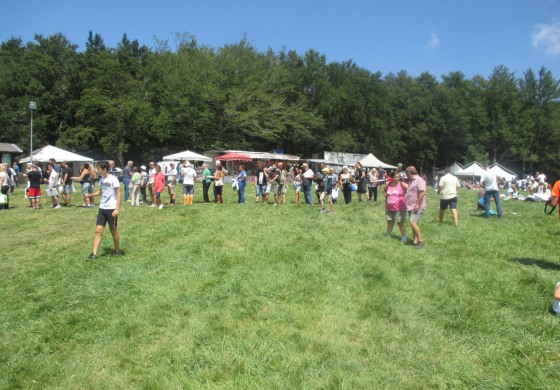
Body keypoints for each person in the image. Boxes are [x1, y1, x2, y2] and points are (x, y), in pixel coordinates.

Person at [85, 161, 122, 260]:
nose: (97, 171)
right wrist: (90, 195)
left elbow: (119, 193)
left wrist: (117, 209)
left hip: (111, 208)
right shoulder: (101, 180)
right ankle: (94, 254)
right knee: (98, 230)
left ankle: (117, 250)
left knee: (113, 230)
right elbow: (101, 192)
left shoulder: (113, 179)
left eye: (99, 169)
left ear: (105, 169)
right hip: (102, 208)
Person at [384, 170, 408, 243]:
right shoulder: (388, 184)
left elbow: (410, 190)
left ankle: (404, 237)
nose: (397, 178)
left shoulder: (401, 184)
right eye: (395, 177)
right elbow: (384, 190)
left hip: (400, 208)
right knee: (389, 221)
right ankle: (388, 235)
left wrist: (406, 198)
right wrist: (387, 198)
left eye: (398, 177)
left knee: (400, 222)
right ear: (391, 177)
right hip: (389, 207)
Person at [405, 166, 426, 249]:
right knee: (414, 223)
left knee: (412, 222)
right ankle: (415, 240)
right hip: (410, 206)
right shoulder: (411, 181)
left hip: (417, 206)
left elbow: (422, 192)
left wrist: (417, 204)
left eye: (407, 174)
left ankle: (420, 241)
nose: (406, 176)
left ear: (409, 173)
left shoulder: (419, 180)